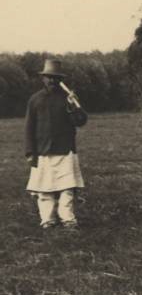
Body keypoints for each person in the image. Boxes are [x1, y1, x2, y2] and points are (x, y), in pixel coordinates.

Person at [25, 59, 87, 229]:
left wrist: (75, 105)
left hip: (66, 149)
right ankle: (48, 220)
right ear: (43, 78)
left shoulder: (68, 98)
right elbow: (29, 127)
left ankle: (68, 219)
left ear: (60, 79)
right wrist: (30, 152)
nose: (51, 81)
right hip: (43, 151)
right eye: (48, 77)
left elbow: (81, 121)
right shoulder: (35, 100)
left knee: (67, 188)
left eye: (55, 77)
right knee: (44, 190)